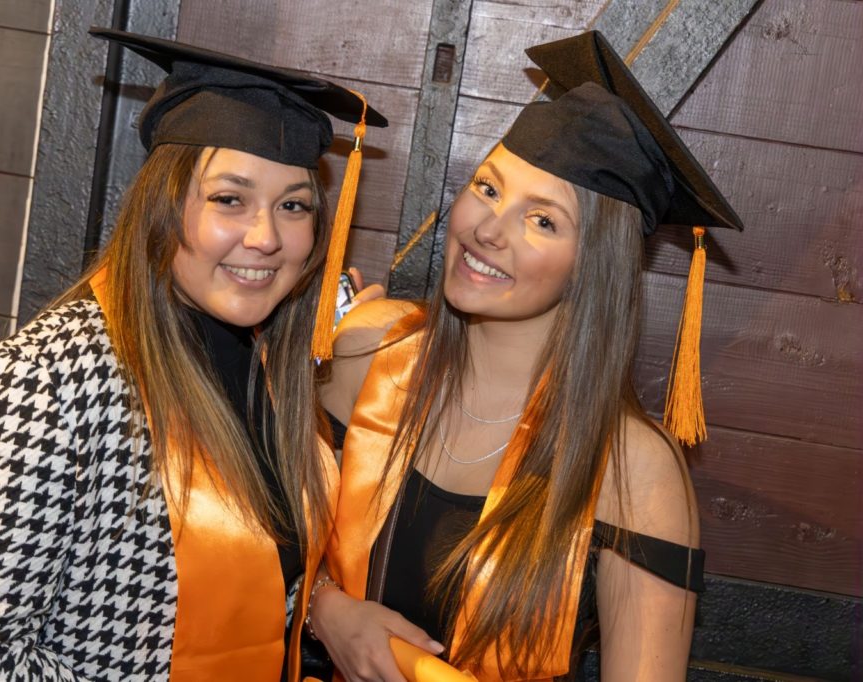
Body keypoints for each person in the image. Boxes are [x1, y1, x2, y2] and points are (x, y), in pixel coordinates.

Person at [0, 28, 385, 681]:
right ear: (163, 205)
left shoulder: (268, 370)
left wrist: (321, 607)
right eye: (229, 199)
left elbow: (250, 577)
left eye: (294, 206)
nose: (266, 236)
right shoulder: (49, 381)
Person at [311, 31, 742, 681]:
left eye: (543, 221)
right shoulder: (370, 353)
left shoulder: (632, 471)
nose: (489, 228)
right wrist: (327, 611)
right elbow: (268, 548)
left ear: (591, 267)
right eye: (488, 188)